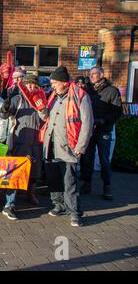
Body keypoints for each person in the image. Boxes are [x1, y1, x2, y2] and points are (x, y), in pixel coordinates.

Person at [42, 66, 93, 227]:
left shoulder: (80, 96)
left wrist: (81, 146)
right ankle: (59, 205)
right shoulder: (53, 96)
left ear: (64, 82)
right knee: (53, 178)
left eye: (55, 83)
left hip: (69, 146)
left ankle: (75, 213)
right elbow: (46, 117)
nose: (52, 86)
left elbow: (87, 122)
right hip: (51, 145)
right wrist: (40, 109)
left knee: (69, 181)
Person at [0, 74, 47, 205]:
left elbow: (46, 117)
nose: (31, 87)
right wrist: (5, 107)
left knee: (35, 170)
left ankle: (31, 193)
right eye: (28, 84)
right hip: (20, 140)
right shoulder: (18, 99)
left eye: (33, 84)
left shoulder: (41, 99)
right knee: (17, 169)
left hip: (37, 141)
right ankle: (12, 200)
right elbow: (4, 115)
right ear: (23, 86)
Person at [80, 67, 123, 200]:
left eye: (94, 74)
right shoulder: (88, 90)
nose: (91, 76)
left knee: (104, 159)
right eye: (90, 74)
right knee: (87, 158)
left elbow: (117, 111)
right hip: (89, 130)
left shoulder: (112, 91)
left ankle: (107, 186)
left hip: (103, 130)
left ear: (101, 75)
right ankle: (87, 183)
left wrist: (104, 120)